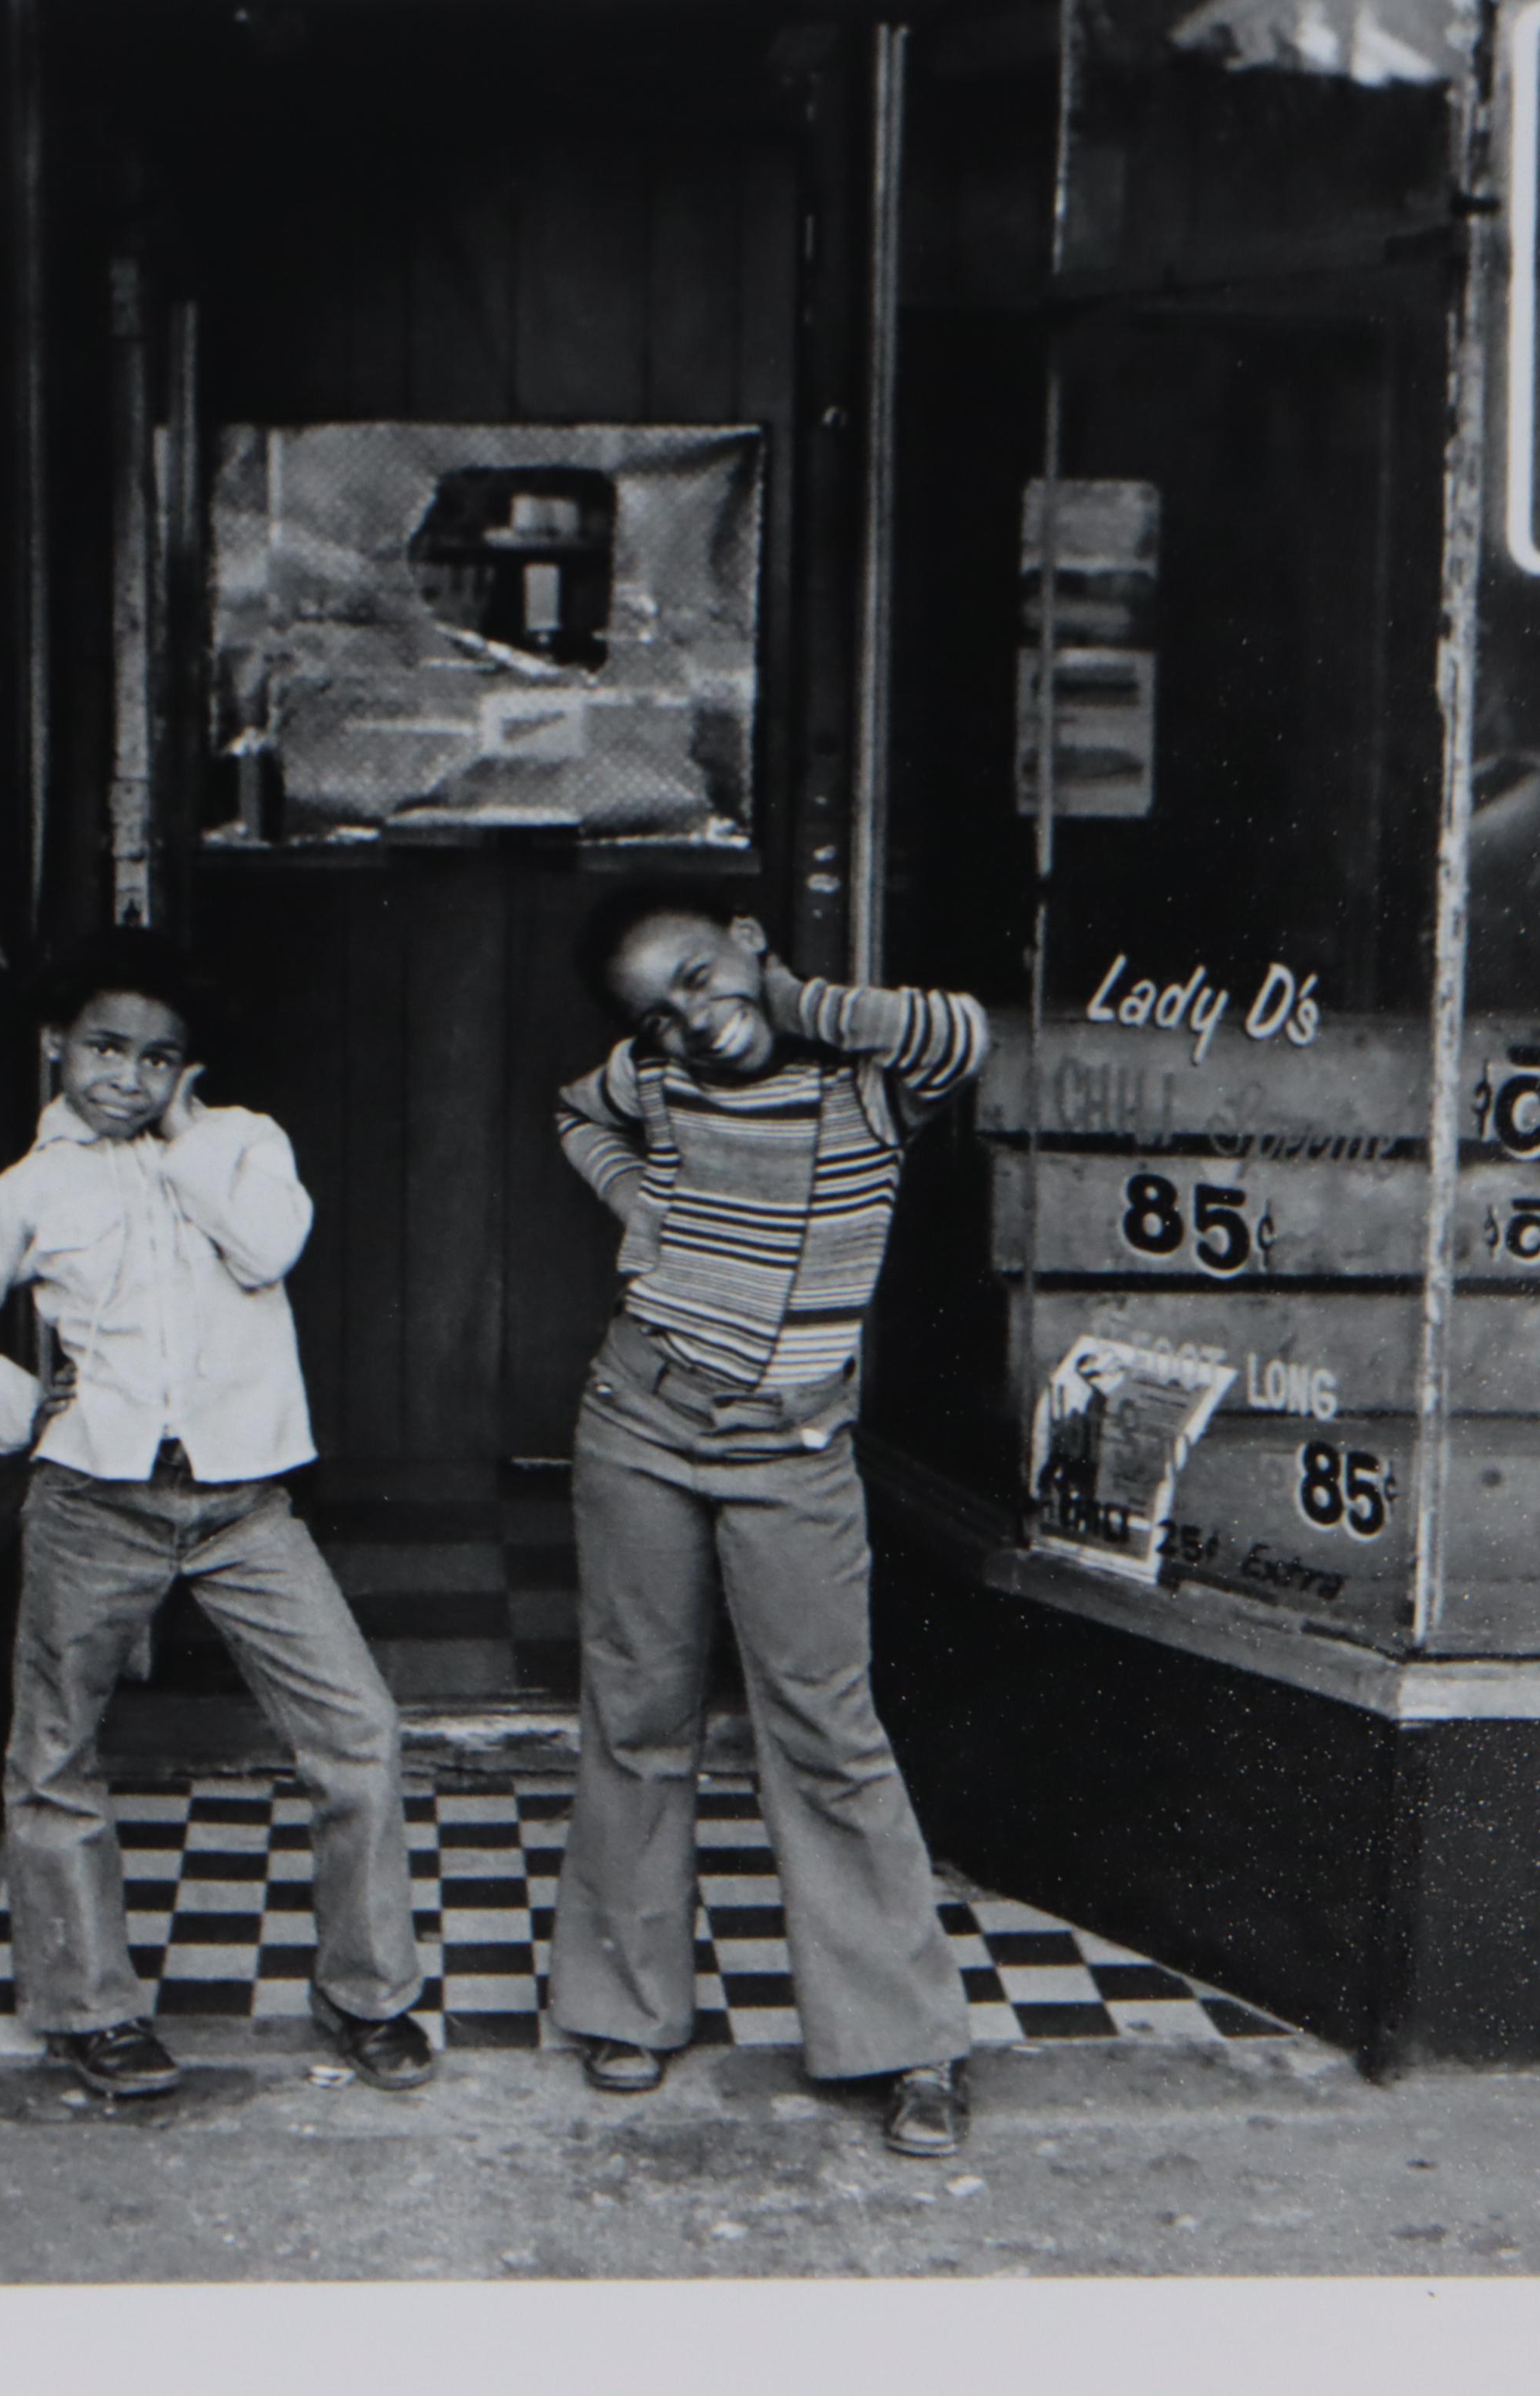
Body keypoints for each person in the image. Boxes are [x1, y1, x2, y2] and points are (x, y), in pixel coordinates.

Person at [0, 932, 433, 2100]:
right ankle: (91, 2011)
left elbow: (271, 1248)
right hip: (97, 1502)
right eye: (105, 1048)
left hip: (243, 1506)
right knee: (54, 1753)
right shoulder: (31, 1190)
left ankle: (368, 1994)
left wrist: (188, 1136)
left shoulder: (243, 1146)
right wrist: (25, 1410)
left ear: (189, 1069)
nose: (127, 1078)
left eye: (157, 1058)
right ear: (57, 1045)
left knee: (359, 1732)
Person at [545, 886, 986, 2159]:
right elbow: (574, 1109)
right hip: (640, 1419)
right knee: (638, 1713)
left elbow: (962, 1033)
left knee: (827, 1730)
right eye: (658, 1010)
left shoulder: (868, 1083)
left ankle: (905, 2042)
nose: (690, 1018)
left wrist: (782, 994)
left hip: (793, 1447)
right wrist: (633, 1197)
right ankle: (624, 2007)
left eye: (697, 974)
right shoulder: (655, 1078)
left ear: (746, 935)